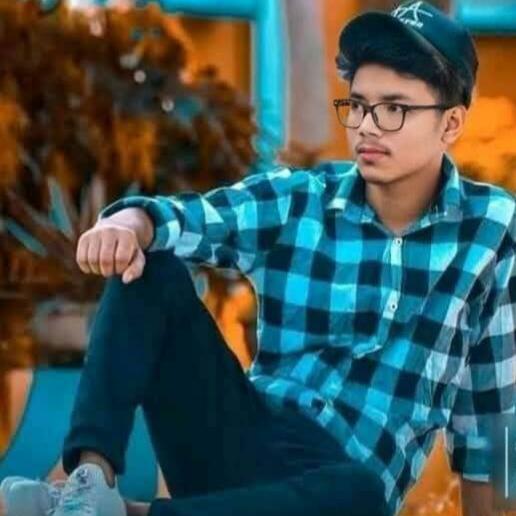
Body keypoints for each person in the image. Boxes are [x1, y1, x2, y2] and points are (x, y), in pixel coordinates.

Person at [1, 1, 514, 515]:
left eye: (394, 109)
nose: (366, 127)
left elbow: (490, 411)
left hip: (336, 492)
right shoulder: (302, 198)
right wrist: (127, 225)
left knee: (361, 492)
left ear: (450, 124)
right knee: (150, 267)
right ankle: (88, 484)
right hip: (245, 434)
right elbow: (187, 218)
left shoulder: (490, 229)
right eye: (358, 105)